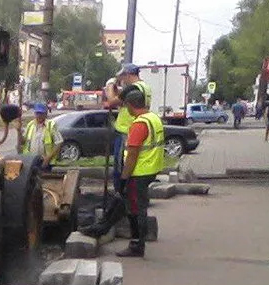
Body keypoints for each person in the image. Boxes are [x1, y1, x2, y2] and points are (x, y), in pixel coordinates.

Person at [81, 87, 164, 257]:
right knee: (124, 202)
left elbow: (132, 155)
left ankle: (136, 245)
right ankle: (102, 228)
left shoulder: (139, 124)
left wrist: (124, 178)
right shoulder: (154, 118)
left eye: (125, 106)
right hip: (150, 169)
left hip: (138, 172)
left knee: (135, 209)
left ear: (130, 105)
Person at [105, 64, 151, 189]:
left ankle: (120, 191)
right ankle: (126, 190)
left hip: (125, 130)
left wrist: (110, 85)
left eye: (122, 77)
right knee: (129, 162)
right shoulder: (144, 87)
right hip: (133, 128)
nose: (122, 80)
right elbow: (122, 97)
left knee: (120, 164)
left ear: (128, 75)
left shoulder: (133, 88)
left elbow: (111, 101)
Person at [19, 102, 63, 169]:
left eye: (41, 113)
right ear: (35, 114)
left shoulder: (51, 125)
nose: (39, 115)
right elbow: (23, 142)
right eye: (37, 113)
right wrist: (18, 131)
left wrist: (48, 158)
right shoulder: (30, 125)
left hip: (45, 162)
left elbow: (59, 143)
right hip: (30, 160)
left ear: (46, 114)